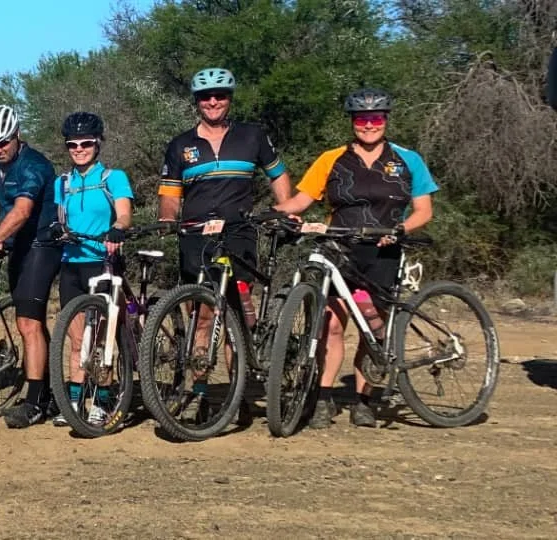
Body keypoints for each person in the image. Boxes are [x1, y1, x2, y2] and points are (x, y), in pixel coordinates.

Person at [273, 88, 437, 429]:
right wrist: (273, 213)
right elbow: (302, 200)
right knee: (331, 324)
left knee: (372, 328)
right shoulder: (332, 158)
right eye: (362, 119)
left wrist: (401, 229)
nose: (369, 125)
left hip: (384, 249)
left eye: (376, 118)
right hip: (341, 248)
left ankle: (365, 400)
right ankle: (324, 397)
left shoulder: (408, 159)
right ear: (353, 123)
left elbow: (424, 210)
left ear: (386, 120)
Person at [158, 68, 292, 332]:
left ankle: (240, 373)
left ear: (229, 98)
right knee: (201, 316)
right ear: (197, 100)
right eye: (205, 96)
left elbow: (278, 175)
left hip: (239, 231)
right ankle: (199, 372)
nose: (212, 102)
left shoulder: (252, 135)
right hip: (196, 233)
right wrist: (167, 220)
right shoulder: (180, 144)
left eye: (219, 95)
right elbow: (170, 194)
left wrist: (284, 209)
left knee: (237, 316)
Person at [0, 105, 64, 428]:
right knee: (31, 322)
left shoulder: (33, 165)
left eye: (2, 143)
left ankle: (34, 401)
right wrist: (2, 242)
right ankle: (50, 394)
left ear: (17, 134)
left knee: (28, 323)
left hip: (43, 246)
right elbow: (6, 211)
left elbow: (23, 211)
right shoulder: (1, 167)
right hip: (20, 249)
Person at [50, 112, 134, 428]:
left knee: (100, 338)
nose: (79, 149)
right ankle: (73, 401)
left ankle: (103, 398)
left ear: (97, 144)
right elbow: (58, 218)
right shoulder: (63, 183)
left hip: (103, 260)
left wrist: (117, 229)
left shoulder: (113, 177)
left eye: (86, 143)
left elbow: (125, 213)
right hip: (71, 263)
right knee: (76, 338)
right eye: (73, 144)